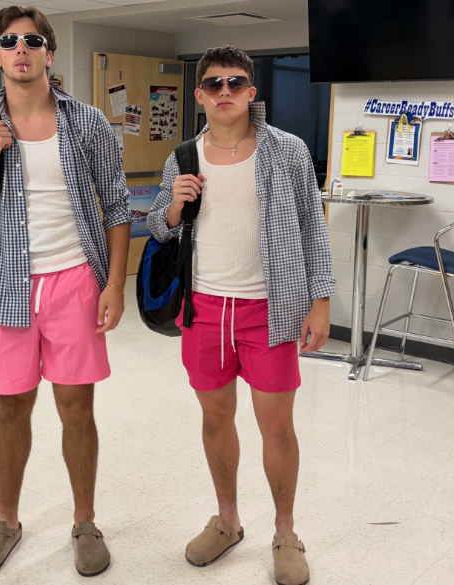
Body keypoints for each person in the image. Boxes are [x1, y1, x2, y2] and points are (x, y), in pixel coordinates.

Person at [0, 5, 130, 577]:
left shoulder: (86, 122)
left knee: (77, 410)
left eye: (33, 41)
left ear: (48, 52)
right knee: (13, 406)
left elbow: (115, 206)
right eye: (10, 42)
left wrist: (114, 283)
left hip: (75, 283)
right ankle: (7, 521)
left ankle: (85, 520)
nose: (22, 50)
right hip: (6, 286)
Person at [147, 45, 334, 585]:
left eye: (234, 83)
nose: (224, 92)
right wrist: (176, 205)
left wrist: (319, 301)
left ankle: (284, 530)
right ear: (200, 94)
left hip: (269, 309)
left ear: (252, 93)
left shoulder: (287, 151)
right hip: (203, 308)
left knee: (276, 427)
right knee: (214, 418)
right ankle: (228, 521)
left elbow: (312, 228)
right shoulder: (183, 157)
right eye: (213, 84)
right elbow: (161, 227)